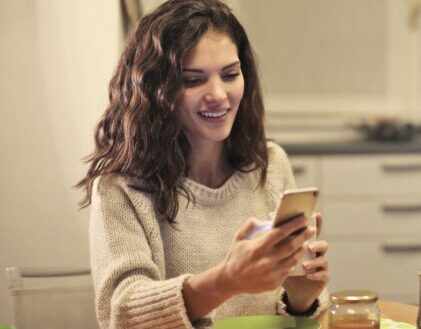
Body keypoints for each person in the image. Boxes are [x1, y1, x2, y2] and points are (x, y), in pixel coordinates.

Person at [76, 0, 329, 328]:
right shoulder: (120, 188)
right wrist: (226, 280)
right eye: (193, 80)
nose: (219, 95)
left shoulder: (271, 164)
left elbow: (291, 314)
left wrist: (301, 297)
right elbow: (122, 314)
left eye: (230, 74)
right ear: (156, 90)